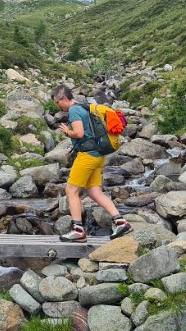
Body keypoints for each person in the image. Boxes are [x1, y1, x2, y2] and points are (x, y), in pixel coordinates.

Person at [51, 84, 133, 242]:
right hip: (97, 155)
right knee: (95, 193)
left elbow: (79, 133)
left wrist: (67, 131)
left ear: (64, 98)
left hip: (86, 156)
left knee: (71, 191)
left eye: (57, 102)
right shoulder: (84, 107)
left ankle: (78, 231)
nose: (57, 105)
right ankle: (121, 222)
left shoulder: (74, 110)